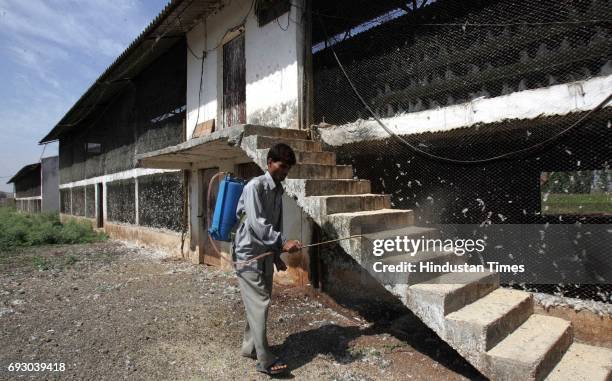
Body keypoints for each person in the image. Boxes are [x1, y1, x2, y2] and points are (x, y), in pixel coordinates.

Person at [231, 143, 302, 376]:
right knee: (260, 301)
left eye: (287, 169)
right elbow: (257, 224)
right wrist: (282, 242)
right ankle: (264, 359)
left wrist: (276, 256)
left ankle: (250, 347)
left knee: (258, 302)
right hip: (247, 254)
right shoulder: (255, 186)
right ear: (269, 162)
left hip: (263, 253)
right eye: (281, 167)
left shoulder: (277, 190)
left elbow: (274, 224)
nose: (284, 173)